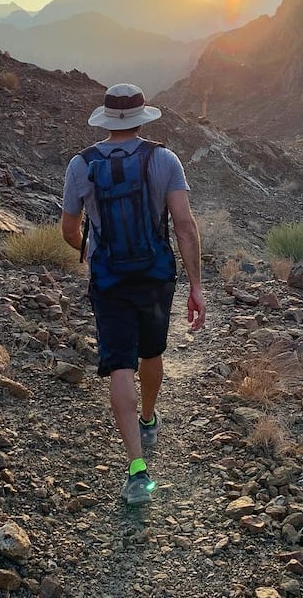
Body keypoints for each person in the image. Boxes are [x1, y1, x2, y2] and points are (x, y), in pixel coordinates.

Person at [61, 83, 206, 505]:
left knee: (120, 365)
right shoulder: (165, 159)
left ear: (106, 120)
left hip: (109, 281)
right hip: (156, 275)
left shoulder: (81, 165)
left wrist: (90, 253)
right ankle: (148, 417)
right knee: (151, 353)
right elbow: (184, 224)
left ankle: (137, 471)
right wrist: (196, 286)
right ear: (143, 118)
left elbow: (70, 230)